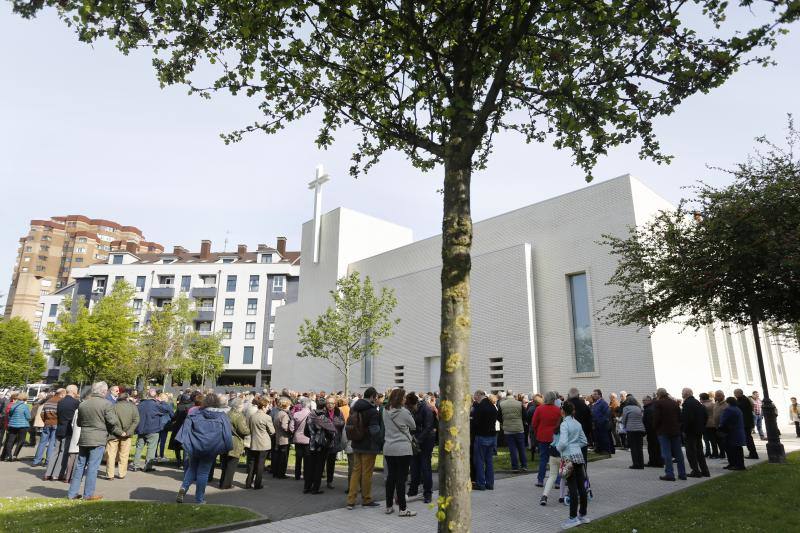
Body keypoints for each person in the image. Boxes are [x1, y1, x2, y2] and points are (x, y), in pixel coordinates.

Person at [68, 382, 124, 501]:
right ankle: (88, 494)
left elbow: (79, 423)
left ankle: (72, 493)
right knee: (93, 467)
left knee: (80, 466)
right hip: (98, 439)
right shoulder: (106, 404)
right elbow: (113, 421)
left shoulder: (83, 404)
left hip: (84, 438)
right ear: (104, 392)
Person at [176, 394, 233, 504]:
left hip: (195, 446)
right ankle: (199, 499)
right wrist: (227, 447)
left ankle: (184, 488)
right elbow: (227, 434)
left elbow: (185, 430)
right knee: (203, 473)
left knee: (192, 469)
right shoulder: (222, 416)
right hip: (211, 448)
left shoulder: (195, 413)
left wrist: (185, 444)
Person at [346, 386, 383, 509]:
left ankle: (351, 500)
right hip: (369, 446)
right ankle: (366, 499)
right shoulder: (373, 411)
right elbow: (374, 430)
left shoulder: (354, 408)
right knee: (367, 473)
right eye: (376, 397)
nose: (377, 399)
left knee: (356, 472)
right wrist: (380, 442)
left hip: (356, 443)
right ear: (373, 397)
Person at [382, 388, 417, 517]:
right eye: (403, 397)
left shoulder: (385, 411)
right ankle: (403, 509)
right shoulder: (404, 412)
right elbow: (413, 425)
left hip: (389, 447)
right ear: (399, 398)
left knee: (391, 477)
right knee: (401, 479)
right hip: (402, 448)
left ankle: (388, 506)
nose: (405, 399)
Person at [557, 401, 590, 529]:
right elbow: (584, 441)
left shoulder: (564, 424)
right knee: (581, 486)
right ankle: (582, 514)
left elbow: (563, 442)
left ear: (563, 411)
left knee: (571, 486)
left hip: (568, 457)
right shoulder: (577, 423)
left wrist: (559, 449)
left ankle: (573, 518)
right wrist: (575, 446)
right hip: (578, 456)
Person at [46, 385, 80, 481]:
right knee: (63, 452)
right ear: (73, 391)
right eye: (76, 391)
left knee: (55, 452)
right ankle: (57, 474)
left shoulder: (60, 401)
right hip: (68, 429)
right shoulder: (76, 403)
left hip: (59, 427)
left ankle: (48, 473)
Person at [131, 388, 170, 472]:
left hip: (141, 428)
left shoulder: (140, 404)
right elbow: (166, 410)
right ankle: (148, 466)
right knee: (151, 448)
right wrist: (162, 401)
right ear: (155, 396)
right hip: (153, 429)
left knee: (139, 447)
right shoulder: (156, 404)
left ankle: (135, 465)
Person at [652, 388, 687, 481]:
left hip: (663, 431)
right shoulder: (674, 403)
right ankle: (682, 474)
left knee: (666, 453)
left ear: (658, 394)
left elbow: (656, 418)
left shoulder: (658, 403)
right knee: (678, 453)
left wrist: (655, 428)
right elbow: (680, 417)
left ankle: (670, 474)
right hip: (675, 431)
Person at [407, 392, 436, 504]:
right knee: (414, 467)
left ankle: (428, 493)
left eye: (411, 407)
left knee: (425, 467)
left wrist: (418, 440)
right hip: (415, 441)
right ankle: (413, 490)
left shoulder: (426, 409)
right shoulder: (412, 409)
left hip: (426, 441)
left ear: (415, 404)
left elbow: (428, 426)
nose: (410, 410)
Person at [304, 398, 336, 495]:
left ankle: (307, 487)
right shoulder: (324, 417)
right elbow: (331, 432)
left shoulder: (310, 416)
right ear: (325, 406)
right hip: (322, 445)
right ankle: (315, 489)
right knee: (319, 467)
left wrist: (313, 436)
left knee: (310, 466)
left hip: (312, 444)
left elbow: (306, 431)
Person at [105, 392, 139, 480]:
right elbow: (136, 420)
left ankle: (110, 474)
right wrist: (128, 432)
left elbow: (109, 421)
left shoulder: (112, 407)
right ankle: (122, 473)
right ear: (127, 398)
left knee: (111, 455)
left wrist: (119, 432)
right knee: (124, 455)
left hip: (113, 434)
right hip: (126, 435)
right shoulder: (133, 407)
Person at [532, 391, 561, 489]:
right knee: (557, 459)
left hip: (543, 436)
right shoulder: (558, 410)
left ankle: (540, 480)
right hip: (555, 437)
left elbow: (534, 423)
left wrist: (537, 432)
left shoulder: (539, 409)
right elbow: (560, 423)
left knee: (543, 459)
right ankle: (557, 481)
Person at [219, 397, 249, 490]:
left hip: (224, 441)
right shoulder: (239, 416)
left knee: (224, 464)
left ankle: (222, 482)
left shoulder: (227, 413)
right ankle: (226, 484)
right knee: (231, 464)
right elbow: (243, 431)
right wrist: (250, 430)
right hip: (235, 442)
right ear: (239, 406)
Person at [246, 397, 275, 489]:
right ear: (263, 406)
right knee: (260, 465)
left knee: (252, 464)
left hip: (253, 442)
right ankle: (257, 484)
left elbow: (249, 428)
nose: (267, 409)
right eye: (267, 407)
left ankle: (248, 483)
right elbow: (272, 431)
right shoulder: (267, 417)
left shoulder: (252, 416)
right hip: (263, 444)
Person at [680, 388, 710, 478]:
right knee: (699, 451)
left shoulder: (687, 404)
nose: (681, 394)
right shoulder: (698, 403)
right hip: (699, 431)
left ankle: (695, 471)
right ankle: (705, 471)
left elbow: (687, 419)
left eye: (682, 393)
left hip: (690, 431)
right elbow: (705, 416)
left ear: (686, 394)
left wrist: (684, 430)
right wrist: (702, 426)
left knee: (691, 452)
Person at [472, 390, 498, 491]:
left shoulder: (480, 407)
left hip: (481, 436)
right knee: (489, 461)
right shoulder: (492, 406)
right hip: (492, 436)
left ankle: (481, 484)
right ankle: (490, 483)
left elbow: (475, 422)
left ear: (479, 395)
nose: (475, 399)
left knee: (479, 461)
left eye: (475, 397)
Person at [34, 389, 64, 468]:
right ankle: (48, 461)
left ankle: (36, 460)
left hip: (47, 423)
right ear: (62, 394)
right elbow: (61, 414)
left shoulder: (48, 401)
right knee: (52, 443)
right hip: (56, 423)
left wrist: (46, 421)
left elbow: (42, 414)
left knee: (42, 442)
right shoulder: (61, 401)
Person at [498, 391, 527, 473]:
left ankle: (515, 467)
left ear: (506, 395)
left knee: (512, 449)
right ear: (513, 395)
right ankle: (524, 465)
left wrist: (504, 422)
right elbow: (525, 415)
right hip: (519, 428)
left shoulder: (502, 404)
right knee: (521, 448)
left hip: (508, 430)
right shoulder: (519, 403)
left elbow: (499, 416)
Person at [322, 395, 345, 489]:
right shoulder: (323, 412)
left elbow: (342, 422)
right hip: (324, 441)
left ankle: (329, 481)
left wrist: (332, 423)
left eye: (332, 403)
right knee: (321, 461)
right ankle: (318, 480)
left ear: (335, 404)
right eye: (328, 403)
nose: (330, 405)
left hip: (334, 441)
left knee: (331, 463)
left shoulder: (339, 412)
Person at [1, 392, 31, 461]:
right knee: (21, 440)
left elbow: (10, 414)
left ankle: (9, 456)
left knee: (10, 441)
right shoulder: (25, 406)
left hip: (12, 425)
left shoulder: (13, 406)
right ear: (25, 399)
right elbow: (28, 417)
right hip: (23, 425)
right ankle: (15, 455)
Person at [719, 397, 746, 471]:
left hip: (731, 432)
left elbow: (723, 420)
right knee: (737, 449)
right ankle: (738, 464)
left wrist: (720, 427)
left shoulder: (728, 409)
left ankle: (735, 464)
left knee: (731, 449)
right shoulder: (737, 409)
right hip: (738, 431)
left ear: (728, 403)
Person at [621, 394, 646, 469]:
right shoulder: (639, 408)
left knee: (633, 447)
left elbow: (624, 419)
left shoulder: (626, 408)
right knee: (639, 447)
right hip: (640, 429)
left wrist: (624, 426)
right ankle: (641, 464)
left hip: (631, 429)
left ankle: (636, 464)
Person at [169, 392, 193, 467]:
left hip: (178, 427)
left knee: (177, 445)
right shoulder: (192, 406)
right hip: (187, 427)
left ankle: (179, 461)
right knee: (184, 445)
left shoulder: (180, 406)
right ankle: (185, 462)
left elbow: (174, 417)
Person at [733, 389, 758, 459]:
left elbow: (740, 407)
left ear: (739, 393)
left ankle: (753, 454)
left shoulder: (744, 400)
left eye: (735, 393)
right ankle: (752, 453)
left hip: (746, 423)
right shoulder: (742, 399)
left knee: (748, 439)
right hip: (746, 422)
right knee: (748, 438)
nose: (734, 395)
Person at [272, 397, 292, 479]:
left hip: (278, 437)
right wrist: (290, 431)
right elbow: (284, 426)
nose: (289, 406)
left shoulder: (278, 413)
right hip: (284, 438)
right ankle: (281, 474)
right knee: (283, 458)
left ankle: (276, 472)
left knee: (278, 456)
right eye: (289, 405)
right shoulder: (284, 414)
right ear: (285, 405)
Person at [292, 397, 312, 480]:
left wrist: (296, 432)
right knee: (307, 459)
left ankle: (297, 475)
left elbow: (291, 427)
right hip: (307, 439)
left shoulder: (296, 414)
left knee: (298, 458)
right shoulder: (311, 414)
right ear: (309, 404)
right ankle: (307, 474)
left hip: (297, 438)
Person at [642, 395, 663, 468]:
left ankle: (653, 462)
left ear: (649, 401)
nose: (643, 402)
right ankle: (659, 461)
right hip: (656, 431)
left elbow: (648, 422)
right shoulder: (653, 408)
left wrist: (646, 431)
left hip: (651, 431)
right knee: (657, 447)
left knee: (652, 447)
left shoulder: (648, 409)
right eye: (643, 401)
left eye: (644, 401)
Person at [590, 390, 611, 455]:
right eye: (593, 394)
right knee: (597, 437)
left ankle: (606, 450)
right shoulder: (595, 403)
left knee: (604, 437)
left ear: (599, 395)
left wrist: (601, 421)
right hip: (596, 423)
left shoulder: (603, 403)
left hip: (602, 423)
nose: (594, 395)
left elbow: (606, 413)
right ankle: (599, 449)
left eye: (595, 394)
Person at [156, 392, 174, 462]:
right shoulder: (168, 406)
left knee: (156, 441)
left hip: (157, 424)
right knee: (163, 441)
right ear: (165, 398)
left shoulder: (156, 405)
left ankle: (155, 455)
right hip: (165, 425)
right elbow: (172, 415)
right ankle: (161, 455)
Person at [700, 392, 718, 458]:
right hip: (713, 423)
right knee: (713, 439)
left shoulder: (703, 405)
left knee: (706, 439)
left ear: (702, 398)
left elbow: (703, 416)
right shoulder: (713, 403)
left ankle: (708, 452)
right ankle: (715, 452)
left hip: (707, 424)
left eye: (700, 398)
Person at [712, 390, 728, 460]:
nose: (717, 397)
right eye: (716, 395)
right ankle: (722, 453)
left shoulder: (726, 404)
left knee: (724, 441)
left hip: (723, 426)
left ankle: (726, 453)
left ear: (723, 396)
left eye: (719, 395)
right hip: (716, 426)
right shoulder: (715, 403)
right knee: (718, 441)